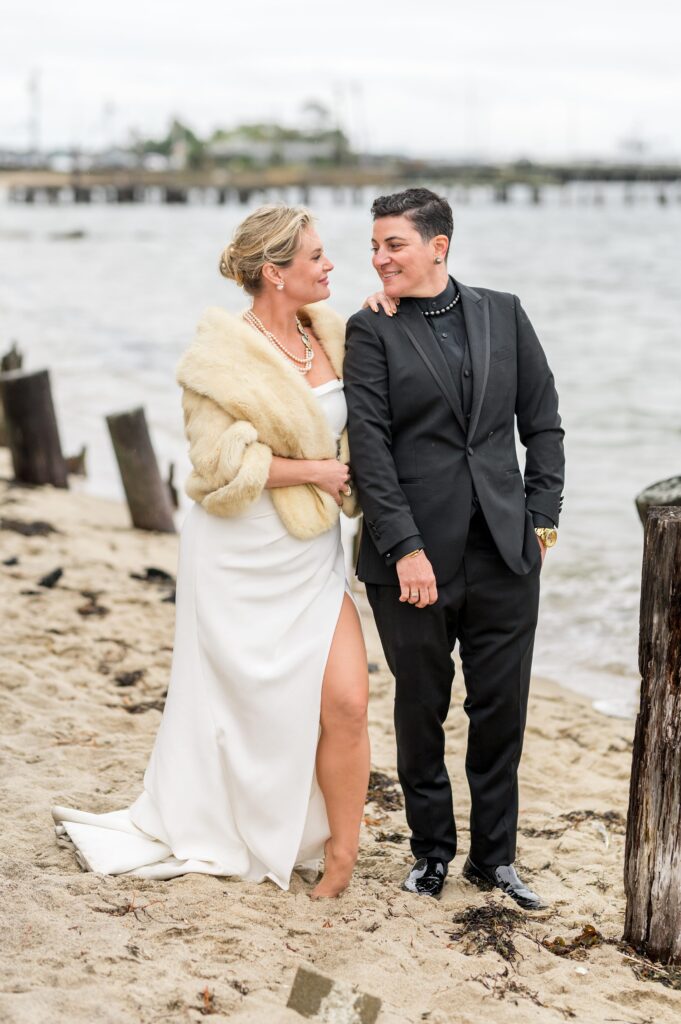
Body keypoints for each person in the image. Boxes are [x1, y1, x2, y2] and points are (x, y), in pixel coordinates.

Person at [53, 205, 371, 899]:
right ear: (274, 273)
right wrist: (314, 471)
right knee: (239, 702)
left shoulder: (340, 334)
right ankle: (237, 822)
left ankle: (340, 856)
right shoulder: (216, 358)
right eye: (315, 257)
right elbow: (216, 464)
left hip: (311, 550)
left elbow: (376, 405)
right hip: (237, 550)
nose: (329, 266)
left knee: (344, 701)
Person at [344, 188, 565, 908]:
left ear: (438, 245)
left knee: (500, 711)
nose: (378, 259)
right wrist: (403, 547)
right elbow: (369, 450)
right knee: (420, 707)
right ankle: (431, 853)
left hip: (503, 553)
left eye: (393, 245)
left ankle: (493, 860)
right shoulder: (369, 329)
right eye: (374, 246)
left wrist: (540, 521)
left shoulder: (503, 312)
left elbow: (544, 424)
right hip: (409, 561)